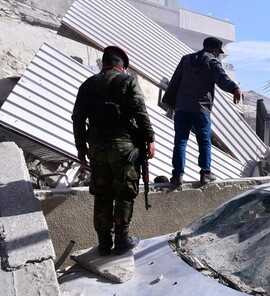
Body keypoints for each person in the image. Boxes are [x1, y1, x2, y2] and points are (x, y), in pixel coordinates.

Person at [72, 46, 156, 256]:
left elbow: (78, 119)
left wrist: (81, 147)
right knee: (124, 194)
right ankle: (122, 240)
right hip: (124, 149)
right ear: (122, 67)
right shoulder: (127, 81)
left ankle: (103, 244)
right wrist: (150, 140)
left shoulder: (87, 85)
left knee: (102, 195)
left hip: (98, 149)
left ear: (104, 63)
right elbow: (140, 113)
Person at [162, 36, 243, 185]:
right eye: (218, 52)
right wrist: (235, 88)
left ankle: (177, 176)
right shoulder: (212, 62)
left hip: (181, 108)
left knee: (180, 141)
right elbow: (222, 79)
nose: (218, 55)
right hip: (201, 109)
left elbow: (175, 81)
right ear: (214, 50)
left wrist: (171, 102)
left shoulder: (186, 59)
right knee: (204, 143)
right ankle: (205, 173)